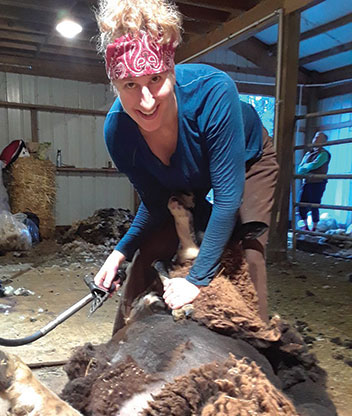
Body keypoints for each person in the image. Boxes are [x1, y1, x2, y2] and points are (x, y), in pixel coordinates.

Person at [94, 0, 279, 327]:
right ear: (115, 86)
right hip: (190, 170)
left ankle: (260, 350)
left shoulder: (213, 91)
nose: (146, 100)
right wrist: (118, 253)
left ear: (171, 70)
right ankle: (118, 350)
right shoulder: (119, 132)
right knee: (150, 249)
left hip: (248, 159)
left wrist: (196, 280)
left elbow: (226, 200)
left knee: (248, 252)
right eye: (130, 86)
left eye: (155, 79)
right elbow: (153, 206)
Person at [297, 131, 331, 231]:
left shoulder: (324, 154)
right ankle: (305, 226)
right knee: (301, 204)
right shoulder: (309, 153)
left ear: (324, 142)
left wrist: (305, 168)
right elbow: (300, 169)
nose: (316, 139)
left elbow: (315, 165)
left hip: (318, 183)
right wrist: (305, 169)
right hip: (307, 182)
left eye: (319, 138)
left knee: (314, 205)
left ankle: (314, 228)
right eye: (315, 137)